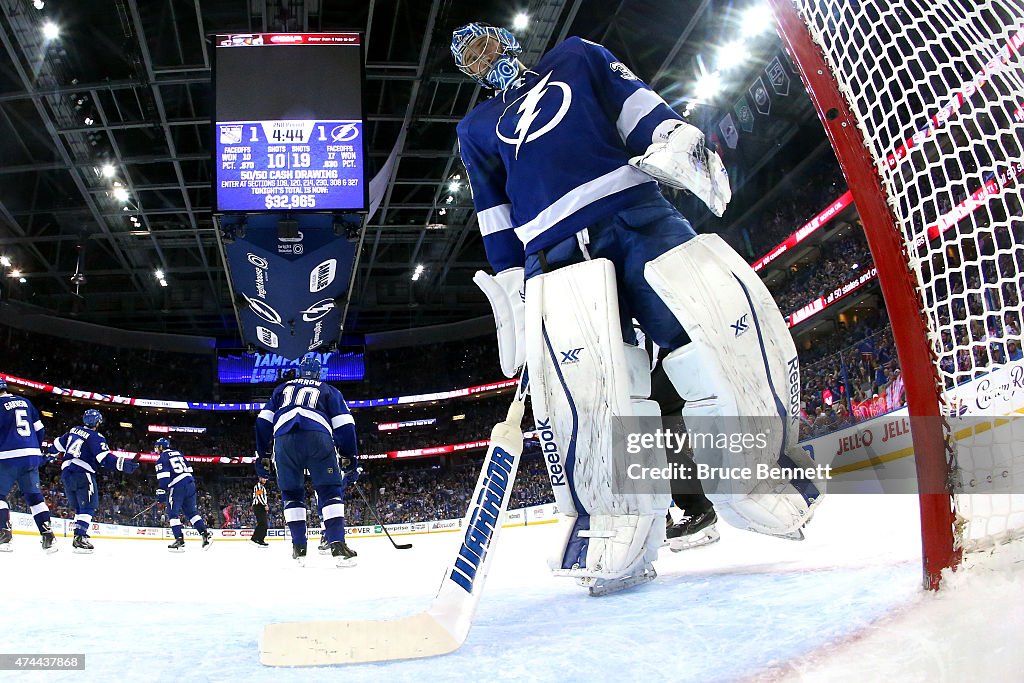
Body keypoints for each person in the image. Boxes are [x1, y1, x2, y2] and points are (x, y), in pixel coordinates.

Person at [452, 23, 822, 594]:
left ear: (505, 40)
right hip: (550, 252)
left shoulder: (575, 57)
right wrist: (511, 291)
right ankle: (617, 520)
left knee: (714, 329)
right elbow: (493, 210)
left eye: (484, 42)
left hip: (636, 215)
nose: (482, 55)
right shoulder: (475, 128)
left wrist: (675, 138)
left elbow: (636, 107)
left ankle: (755, 475)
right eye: (469, 56)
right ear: (468, 71)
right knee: (593, 392)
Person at [255, 356, 360, 567]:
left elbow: (262, 421)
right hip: (317, 436)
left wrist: (263, 455)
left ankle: (299, 549)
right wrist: (349, 456)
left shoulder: (281, 389)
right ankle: (337, 545)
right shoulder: (329, 390)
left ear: (299, 372)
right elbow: (345, 424)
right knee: (329, 490)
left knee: (292, 494)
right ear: (319, 373)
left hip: (283, 440)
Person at [50, 409, 139, 553]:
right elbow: (104, 458)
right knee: (89, 506)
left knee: (80, 507)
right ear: (97, 422)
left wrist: (47, 455)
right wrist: (123, 463)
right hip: (82, 472)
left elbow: (57, 445)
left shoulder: (74, 430)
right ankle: (80, 538)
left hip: (66, 473)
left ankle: (78, 536)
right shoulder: (96, 437)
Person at [0, 378, 57, 553]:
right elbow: (40, 430)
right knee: (34, 497)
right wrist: (34, 448)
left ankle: (4, 533)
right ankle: (48, 536)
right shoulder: (25, 401)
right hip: (31, 456)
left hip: (7, 456)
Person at [153, 437, 212, 552]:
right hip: (190, 483)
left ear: (161, 447)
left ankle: (179, 541)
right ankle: (205, 535)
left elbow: (164, 478)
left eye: (156, 447)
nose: (156, 450)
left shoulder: (161, 458)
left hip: (177, 486)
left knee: (172, 514)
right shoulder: (178, 453)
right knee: (192, 513)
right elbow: (189, 469)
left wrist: (161, 495)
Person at [251, 477, 269, 547]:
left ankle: (258, 539)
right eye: (263, 478)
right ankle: (257, 539)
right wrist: (265, 505)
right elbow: (259, 496)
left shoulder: (262, 487)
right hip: (259, 506)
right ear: (260, 478)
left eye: (266, 479)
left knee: (263, 524)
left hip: (260, 506)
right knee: (263, 523)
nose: (265, 480)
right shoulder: (258, 486)